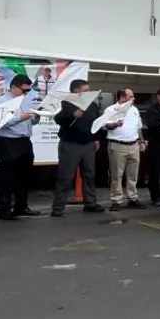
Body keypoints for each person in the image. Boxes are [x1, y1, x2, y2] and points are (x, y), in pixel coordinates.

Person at [0, 74, 41, 220]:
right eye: (23, 90)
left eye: (28, 91)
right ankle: (5, 209)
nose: (26, 93)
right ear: (13, 87)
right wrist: (21, 117)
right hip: (8, 141)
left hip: (24, 140)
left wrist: (37, 115)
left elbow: (31, 121)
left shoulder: (25, 100)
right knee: (7, 177)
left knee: (24, 176)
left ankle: (21, 206)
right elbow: (1, 121)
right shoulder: (2, 101)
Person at [51, 78, 103, 217]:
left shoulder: (92, 106)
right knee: (65, 176)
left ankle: (90, 203)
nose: (88, 93)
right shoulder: (66, 104)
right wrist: (72, 115)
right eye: (85, 90)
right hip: (70, 144)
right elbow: (58, 119)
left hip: (88, 144)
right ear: (76, 91)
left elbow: (96, 122)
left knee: (89, 174)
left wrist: (96, 138)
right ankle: (58, 206)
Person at [102, 87, 144, 211]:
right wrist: (115, 124)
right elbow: (104, 126)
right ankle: (116, 199)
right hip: (118, 145)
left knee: (133, 174)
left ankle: (132, 197)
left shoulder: (134, 109)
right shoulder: (111, 109)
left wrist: (141, 140)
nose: (133, 98)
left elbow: (138, 126)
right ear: (122, 97)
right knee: (117, 174)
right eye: (130, 96)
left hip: (133, 144)